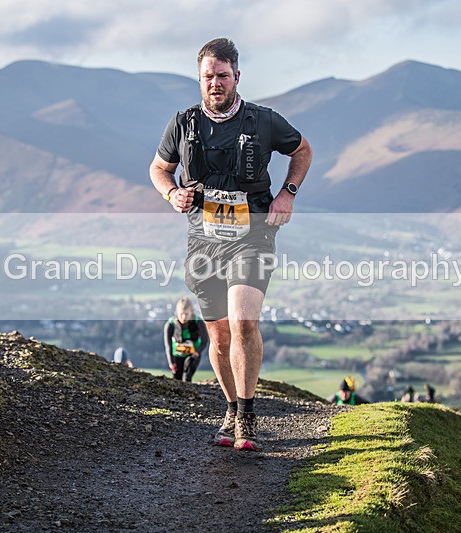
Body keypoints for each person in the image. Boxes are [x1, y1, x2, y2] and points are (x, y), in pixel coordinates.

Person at [149, 38, 312, 451]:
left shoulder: (263, 121)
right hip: (203, 240)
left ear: (237, 77)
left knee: (243, 322)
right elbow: (158, 168)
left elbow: (302, 150)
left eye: (223, 76)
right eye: (208, 76)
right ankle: (231, 408)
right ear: (199, 79)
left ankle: (249, 415)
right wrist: (172, 194)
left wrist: (288, 192)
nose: (215, 83)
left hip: (253, 234)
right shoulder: (183, 124)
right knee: (219, 335)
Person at [164, 297, 209, 382]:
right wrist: (171, 363)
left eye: (187, 314)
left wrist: (197, 352)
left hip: (192, 355)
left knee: (186, 377)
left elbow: (204, 341)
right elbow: (168, 345)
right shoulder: (170, 324)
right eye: (181, 314)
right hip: (177, 355)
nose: (184, 317)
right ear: (177, 312)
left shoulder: (198, 322)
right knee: (177, 379)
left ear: (191, 312)